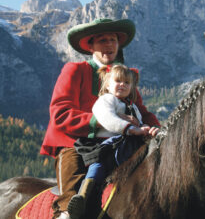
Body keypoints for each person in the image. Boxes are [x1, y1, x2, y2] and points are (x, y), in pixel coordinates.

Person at [40, 18, 160, 219]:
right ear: (91, 46)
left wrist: (156, 128)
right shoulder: (74, 70)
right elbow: (60, 113)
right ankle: (66, 213)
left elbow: (142, 111)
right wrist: (103, 120)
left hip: (117, 145)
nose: (109, 45)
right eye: (103, 40)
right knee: (73, 184)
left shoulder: (124, 78)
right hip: (76, 144)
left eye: (113, 40)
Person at [67, 64, 152, 219]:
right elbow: (106, 117)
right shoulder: (106, 100)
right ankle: (83, 197)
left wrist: (146, 129)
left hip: (127, 146)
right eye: (118, 81)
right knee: (98, 165)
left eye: (127, 83)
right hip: (107, 145)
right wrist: (129, 128)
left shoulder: (133, 108)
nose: (122, 85)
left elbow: (139, 123)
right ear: (107, 84)